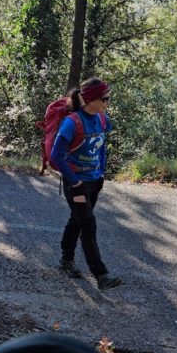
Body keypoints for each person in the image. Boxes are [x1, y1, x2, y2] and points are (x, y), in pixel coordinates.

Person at [49, 77, 122, 290]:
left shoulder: (102, 119)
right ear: (90, 99)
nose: (108, 103)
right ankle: (101, 275)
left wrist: (101, 172)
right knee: (88, 224)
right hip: (77, 184)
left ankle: (66, 260)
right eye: (104, 99)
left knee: (77, 220)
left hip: (94, 181)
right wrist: (76, 181)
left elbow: (101, 147)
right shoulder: (72, 123)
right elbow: (56, 156)